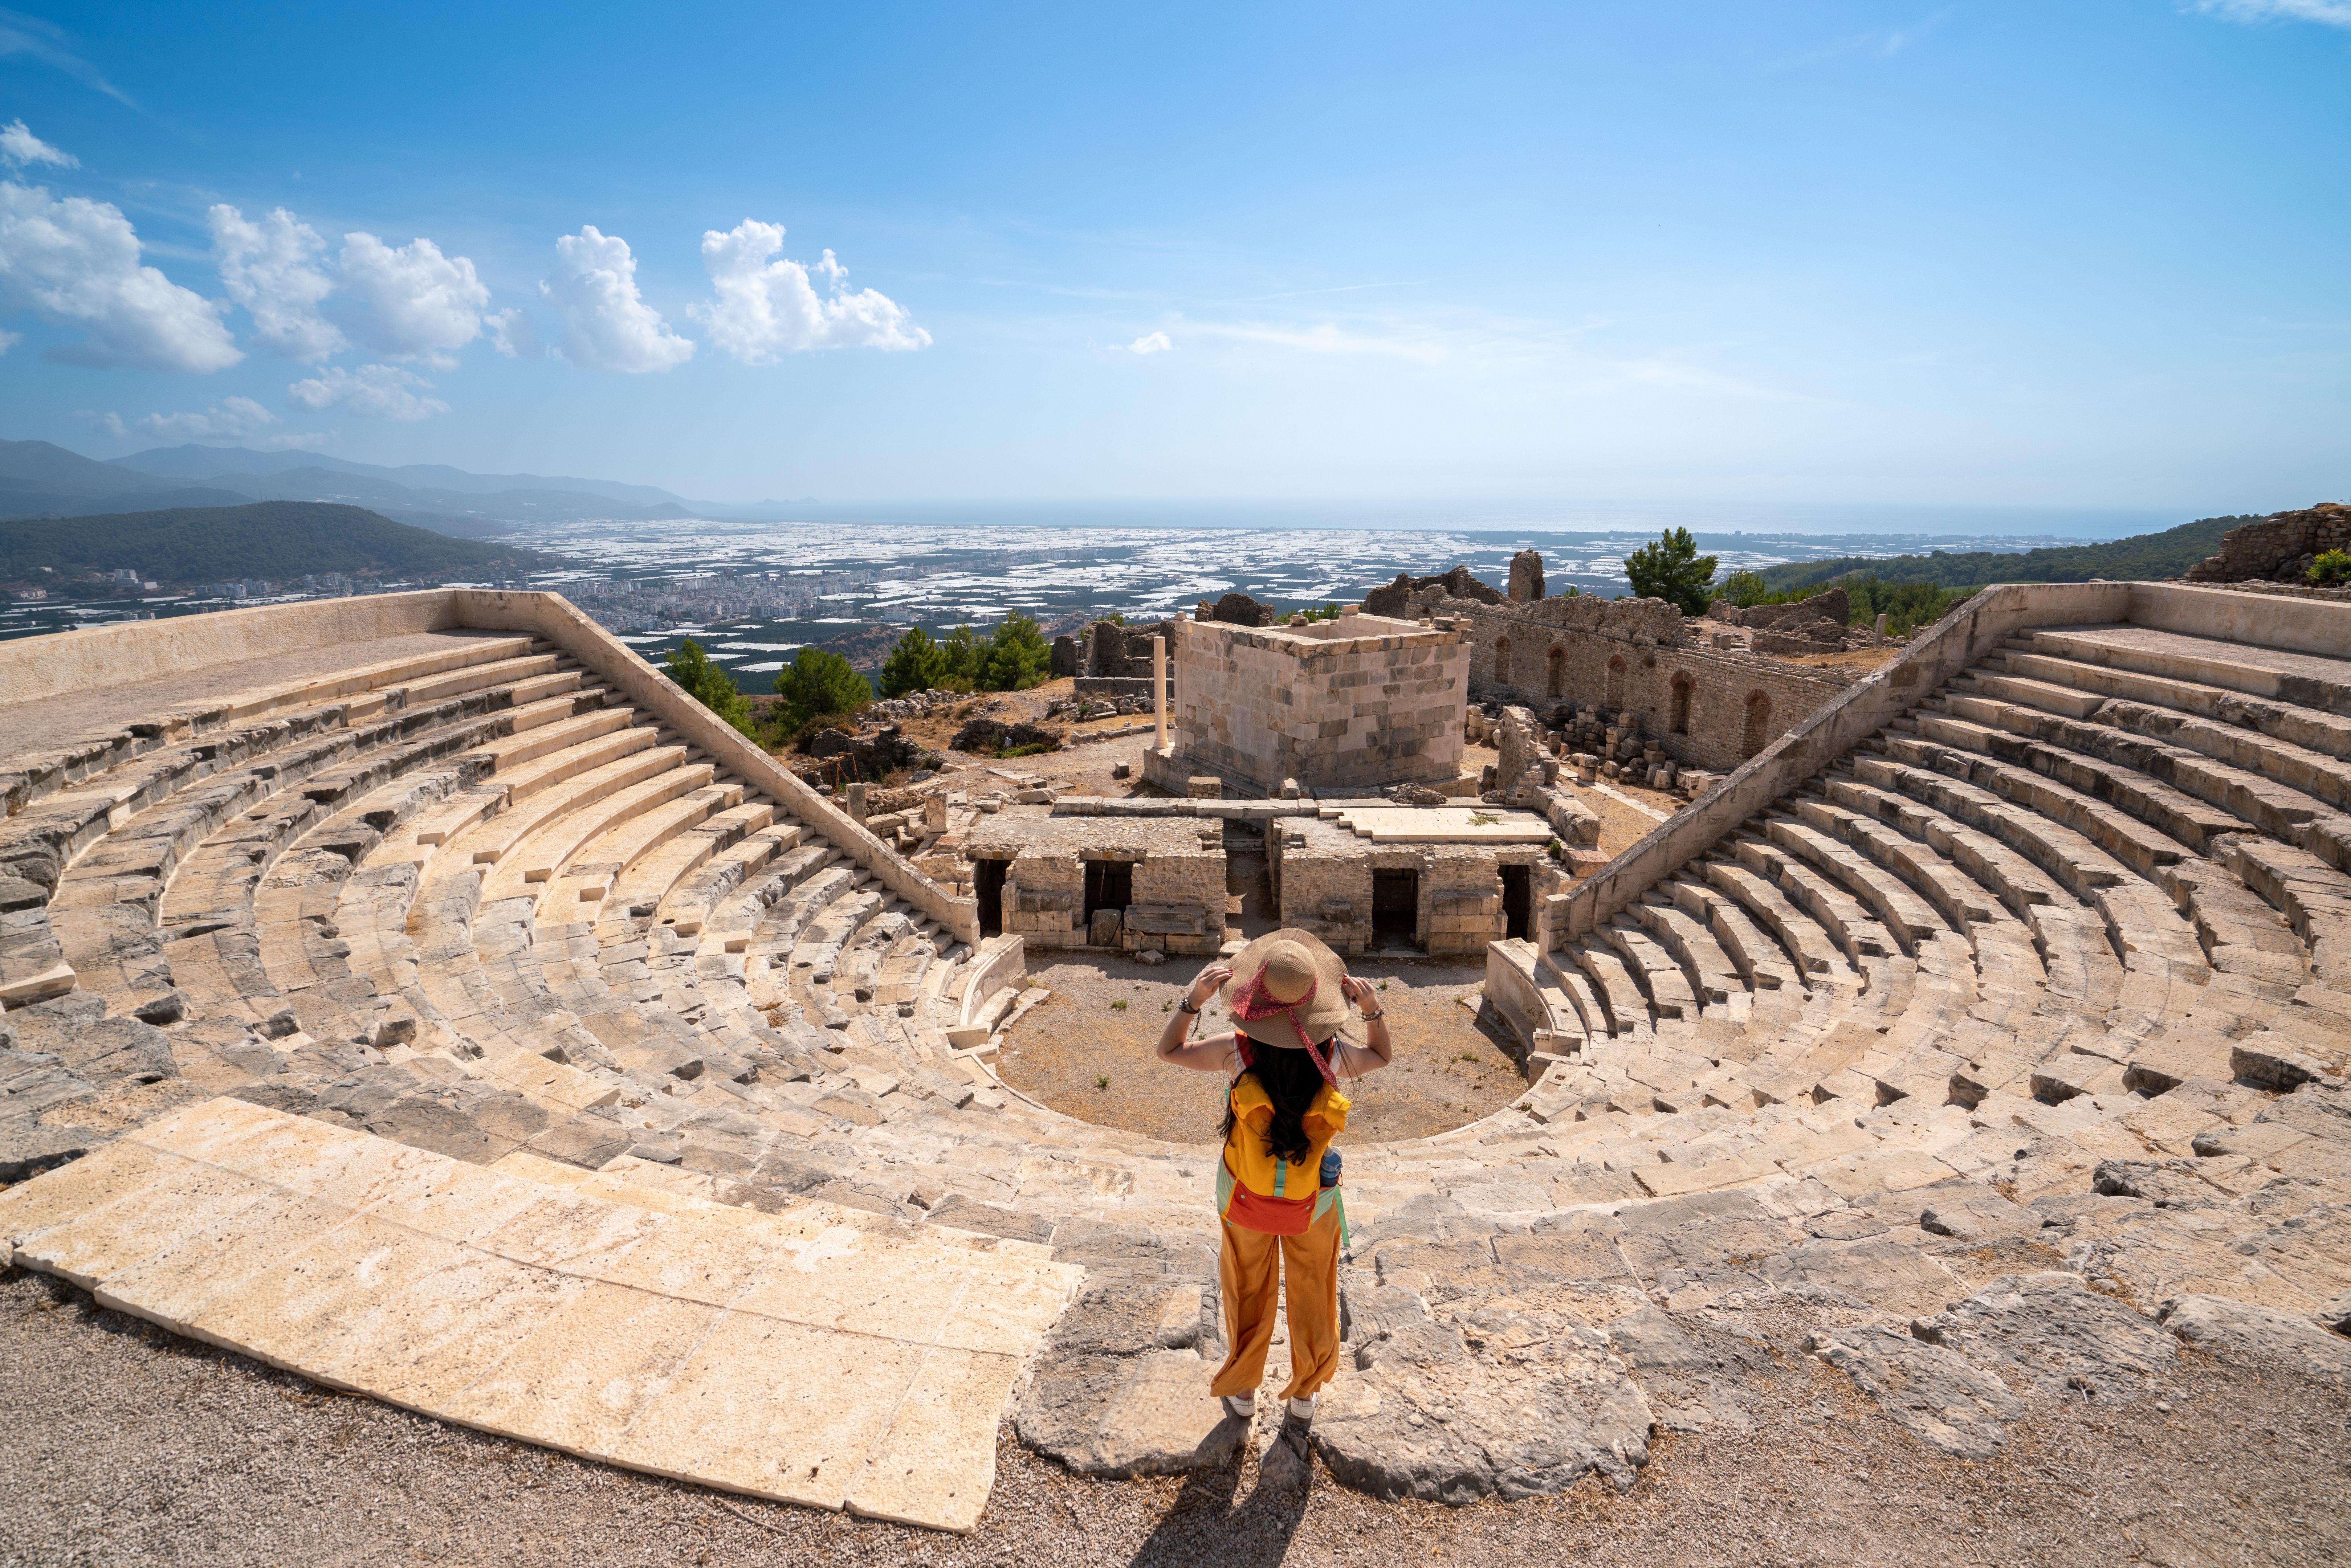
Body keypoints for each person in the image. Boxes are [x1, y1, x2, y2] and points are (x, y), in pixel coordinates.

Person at [1154, 928, 1394, 1489]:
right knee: (1314, 1288)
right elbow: (1382, 1054)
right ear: (1318, 1002)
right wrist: (1373, 1008)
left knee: (1245, 1287)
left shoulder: (1235, 1050)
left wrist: (1192, 1002)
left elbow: (1168, 1052)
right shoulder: (1335, 1055)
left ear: (1257, 997)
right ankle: (1305, 1396)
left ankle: (1243, 1389)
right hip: (1313, 1203)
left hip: (1244, 1198)